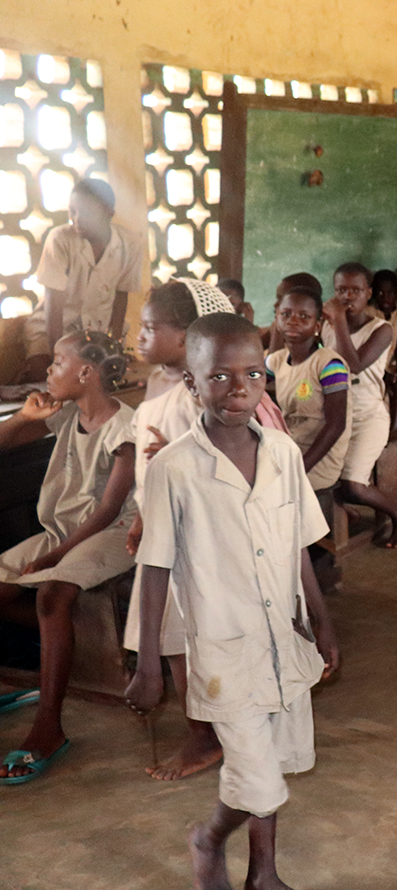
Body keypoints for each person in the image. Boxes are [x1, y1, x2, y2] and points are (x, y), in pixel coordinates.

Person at [125, 313, 338, 890]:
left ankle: (263, 873)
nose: (239, 388)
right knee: (259, 776)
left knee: (268, 762)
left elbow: (297, 545)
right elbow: (155, 569)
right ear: (191, 384)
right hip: (224, 650)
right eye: (218, 377)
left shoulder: (284, 455)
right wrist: (148, 663)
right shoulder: (175, 468)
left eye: (252, 373)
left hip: (284, 637)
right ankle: (210, 837)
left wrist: (322, 623)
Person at [123, 280, 252, 783]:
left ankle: (209, 732)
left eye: (153, 328)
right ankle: (201, 728)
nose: (141, 335)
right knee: (174, 637)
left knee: (201, 635)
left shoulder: (205, 391)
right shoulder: (158, 383)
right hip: (161, 527)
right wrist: (140, 515)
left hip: (200, 532)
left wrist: (173, 461)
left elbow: (222, 457)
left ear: (187, 337)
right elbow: (148, 464)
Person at [0, 331, 134, 781]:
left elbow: (110, 510)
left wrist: (54, 556)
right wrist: (22, 417)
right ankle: (63, 650)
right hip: (63, 531)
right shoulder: (66, 416)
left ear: (85, 372)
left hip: (115, 534)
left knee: (52, 596)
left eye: (58, 362)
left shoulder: (125, 428)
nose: (48, 371)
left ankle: (48, 727)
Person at [20, 179, 144, 382]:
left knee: (106, 379)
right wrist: (58, 358)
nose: (76, 220)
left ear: (108, 213)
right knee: (45, 378)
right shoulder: (60, 239)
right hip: (52, 330)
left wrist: (112, 347)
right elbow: (54, 307)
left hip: (98, 332)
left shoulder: (130, 244)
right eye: (72, 211)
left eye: (86, 213)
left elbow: (121, 298)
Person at [322, 262, 397, 546]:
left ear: (368, 293)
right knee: (313, 474)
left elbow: (353, 365)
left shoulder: (382, 329)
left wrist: (338, 322)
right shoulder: (325, 327)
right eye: (341, 290)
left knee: (352, 486)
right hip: (333, 414)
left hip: (367, 416)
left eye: (356, 290)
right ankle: (344, 514)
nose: (348, 297)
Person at [266, 285, 350, 492]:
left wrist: (299, 469)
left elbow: (336, 425)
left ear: (317, 326)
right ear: (276, 319)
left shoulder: (329, 364)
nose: (293, 321)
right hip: (289, 446)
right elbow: (251, 382)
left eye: (304, 316)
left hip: (317, 456)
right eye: (286, 314)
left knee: (269, 489)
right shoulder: (276, 361)